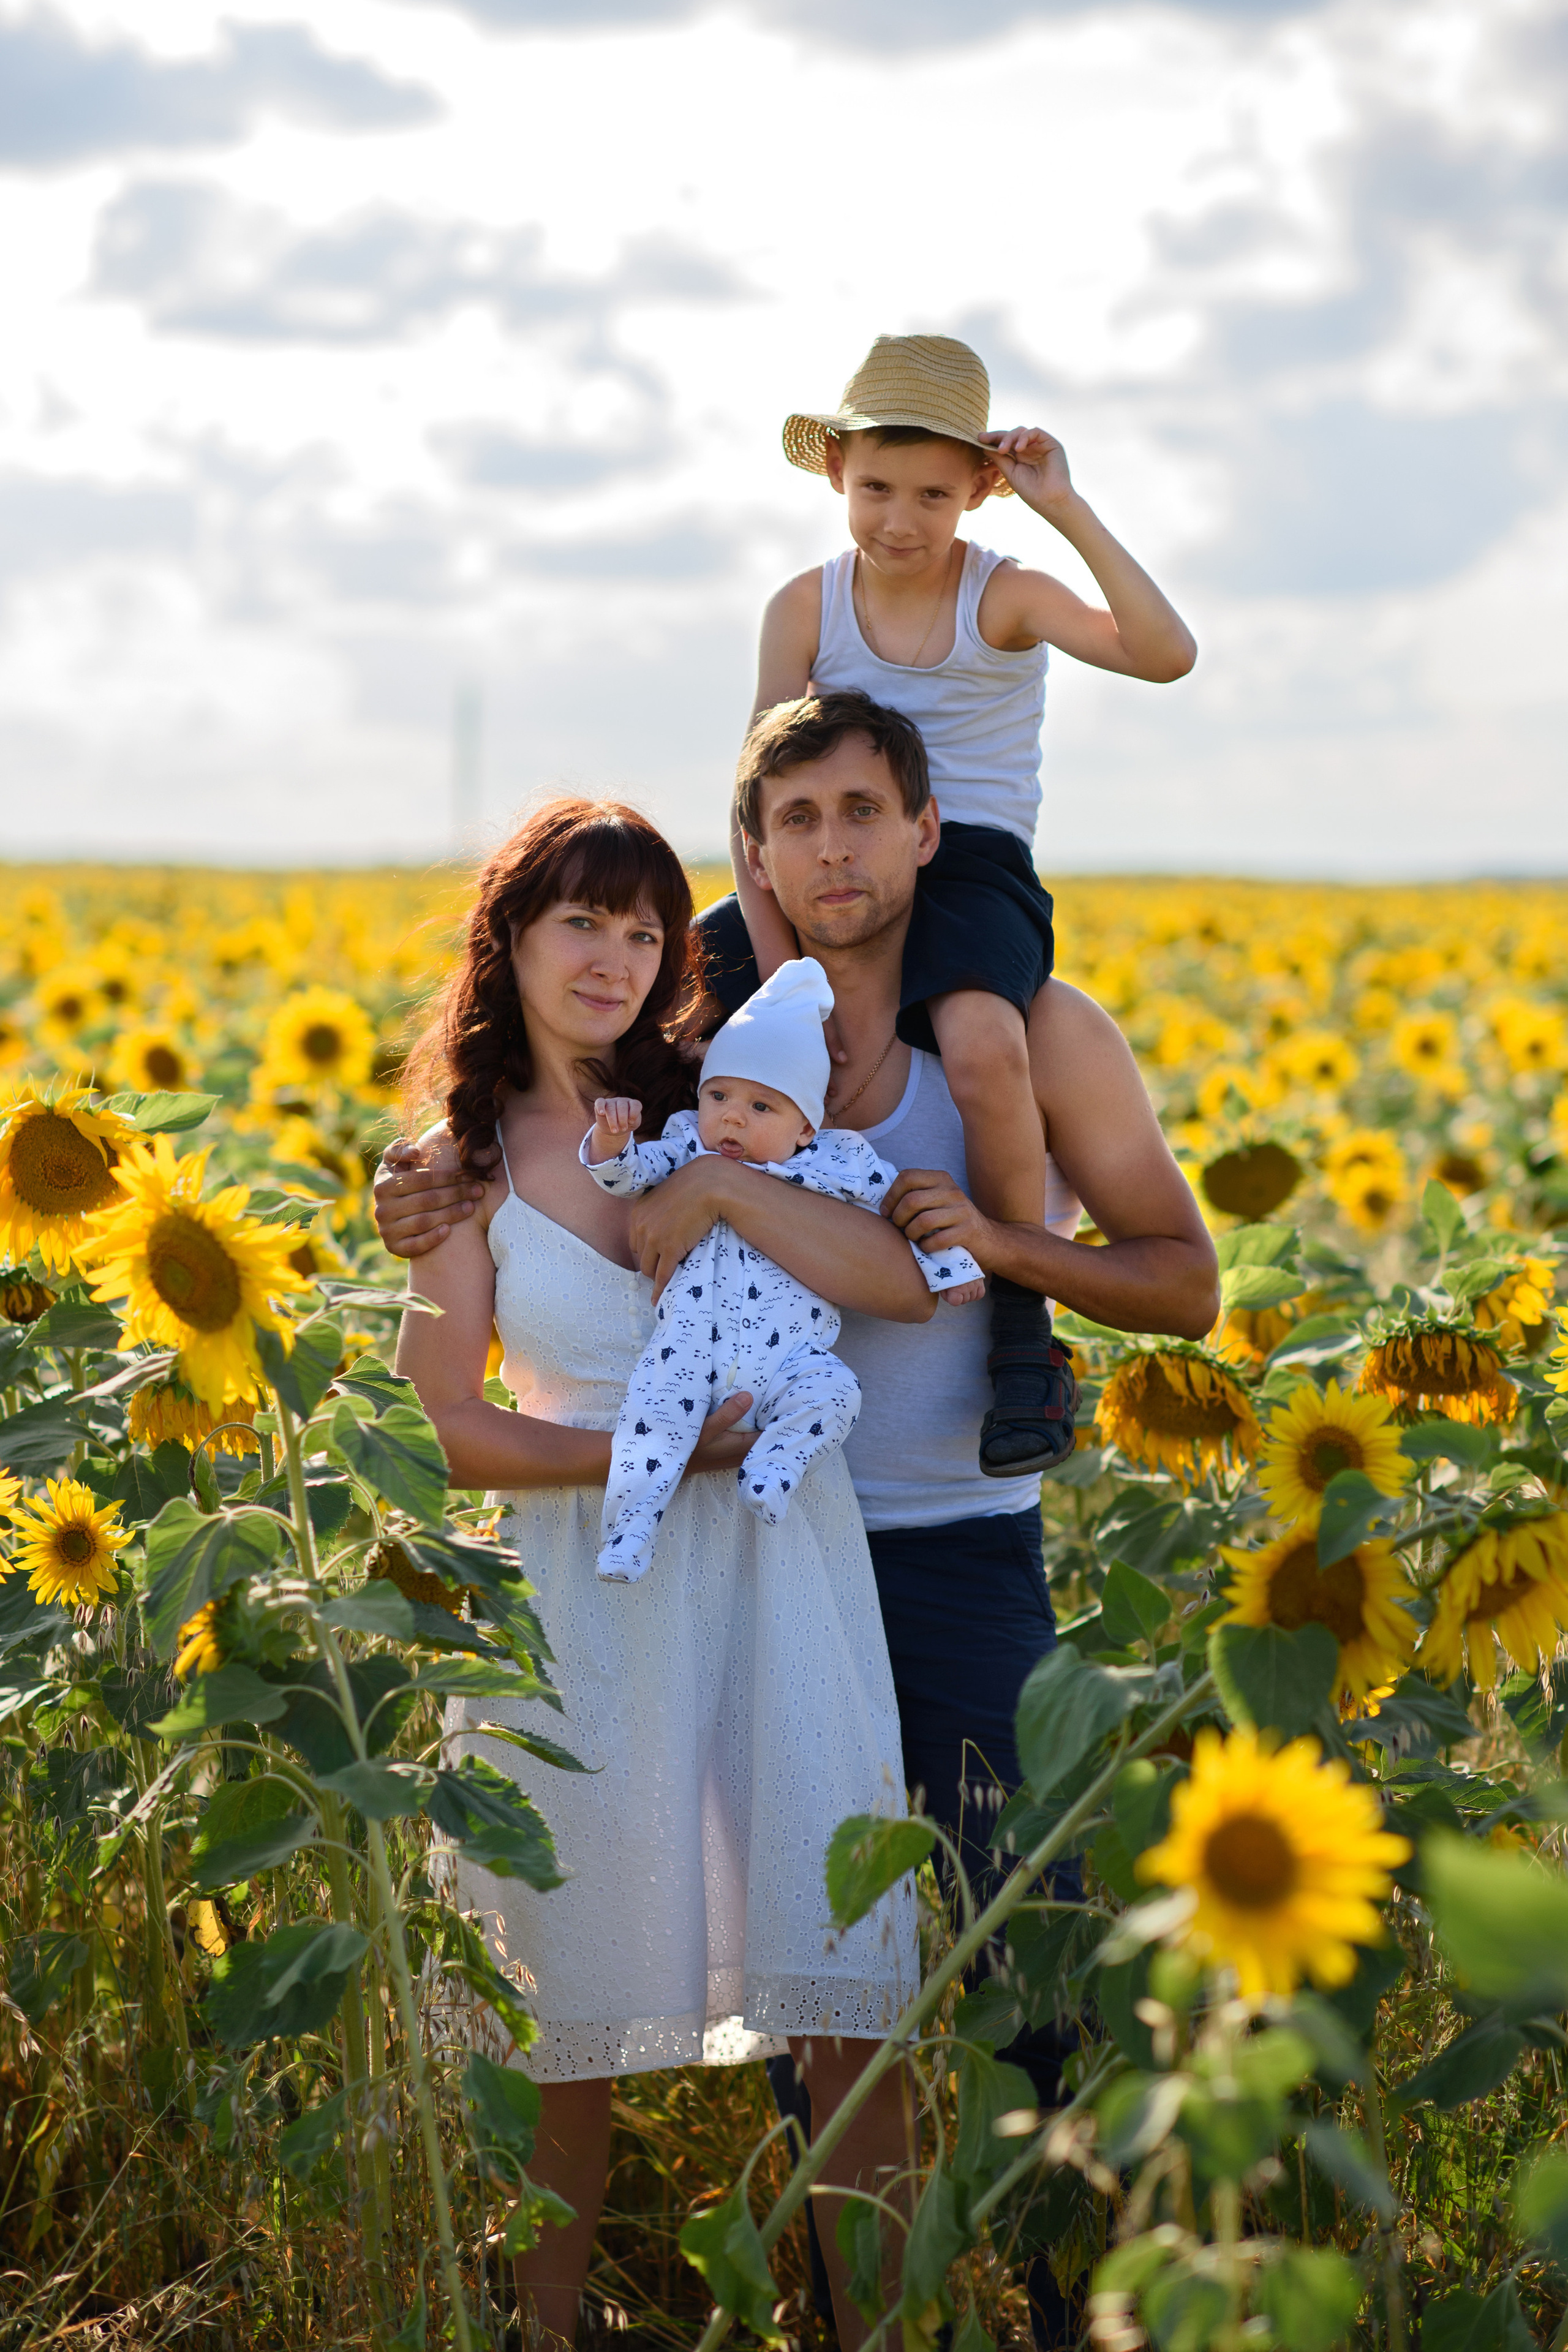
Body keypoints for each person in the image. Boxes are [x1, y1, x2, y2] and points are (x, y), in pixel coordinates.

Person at [374, 703, 1218, 2345]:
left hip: (870, 1561)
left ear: (922, 832)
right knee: (671, 1994)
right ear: (753, 853)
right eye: (794, 821)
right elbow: (460, 1365)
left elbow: (950, 1277)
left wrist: (755, 1197)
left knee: (935, 1973)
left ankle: (994, 2320)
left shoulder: (866, 1063)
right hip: (663, 1573)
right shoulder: (570, 1105)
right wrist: (425, 1195)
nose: (616, 957)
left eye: (862, 812)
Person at [391, 796, 928, 2350]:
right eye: (581, 922)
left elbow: (891, 1282)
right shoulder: (460, 1162)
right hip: (589, 1592)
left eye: (643, 929)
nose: (615, 958)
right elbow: (447, 1427)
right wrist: (650, 1449)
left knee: (838, 1992)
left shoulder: (720, 1107)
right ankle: (544, 2330)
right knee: (572, 2011)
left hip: (776, 1568)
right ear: (510, 937)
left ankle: (879, 2329)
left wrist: (755, 1200)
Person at [734, 331, 1196, 1482]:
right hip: (822, 849)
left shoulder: (1005, 595)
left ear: (981, 487)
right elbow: (753, 787)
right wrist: (784, 969)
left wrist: (1067, 509)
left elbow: (1165, 654)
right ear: (836, 469)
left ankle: (1020, 1323)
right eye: (878, 487)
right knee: (671, 1004)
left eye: (935, 494)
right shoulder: (803, 606)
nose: (900, 519)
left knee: (988, 1046)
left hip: (975, 862)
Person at [585, 954, 982, 1583]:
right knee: (650, 1421)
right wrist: (611, 1143)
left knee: (835, 1393)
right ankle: (631, 1531)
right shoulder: (687, 1142)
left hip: (791, 1356)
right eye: (719, 1095)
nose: (733, 1117)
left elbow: (903, 1205)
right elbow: (626, 1177)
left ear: (805, 1128)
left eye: (762, 1107)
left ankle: (774, 1468)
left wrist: (951, 1264)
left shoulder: (837, 1161)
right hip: (688, 1344)